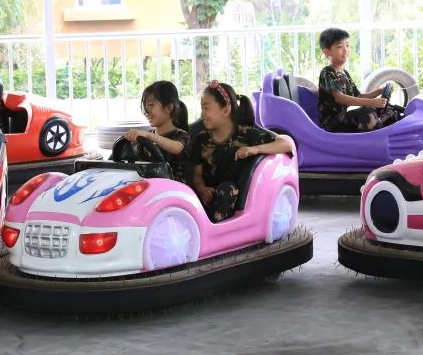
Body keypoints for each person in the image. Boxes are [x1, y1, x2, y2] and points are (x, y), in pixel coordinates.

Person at [190, 80, 293, 222]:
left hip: (234, 198)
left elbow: (286, 144)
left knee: (228, 189)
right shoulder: (201, 139)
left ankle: (216, 227)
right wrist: (202, 188)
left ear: (226, 110)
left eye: (206, 108)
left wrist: (255, 149)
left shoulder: (246, 134)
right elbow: (197, 175)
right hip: (208, 196)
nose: (202, 114)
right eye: (202, 108)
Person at [317, 27, 401, 132]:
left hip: (343, 118)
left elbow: (358, 96)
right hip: (332, 123)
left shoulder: (345, 73)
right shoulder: (328, 72)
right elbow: (340, 98)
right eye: (340, 47)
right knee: (366, 113)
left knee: (390, 110)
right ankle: (375, 137)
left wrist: (379, 91)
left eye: (347, 45)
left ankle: (390, 133)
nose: (346, 50)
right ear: (327, 51)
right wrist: (372, 102)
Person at [125, 80, 190, 182]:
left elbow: (176, 148)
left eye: (151, 104)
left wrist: (148, 136)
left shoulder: (181, 135)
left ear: (169, 108)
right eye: (145, 105)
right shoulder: (146, 137)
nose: (146, 110)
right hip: (151, 186)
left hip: (176, 188)